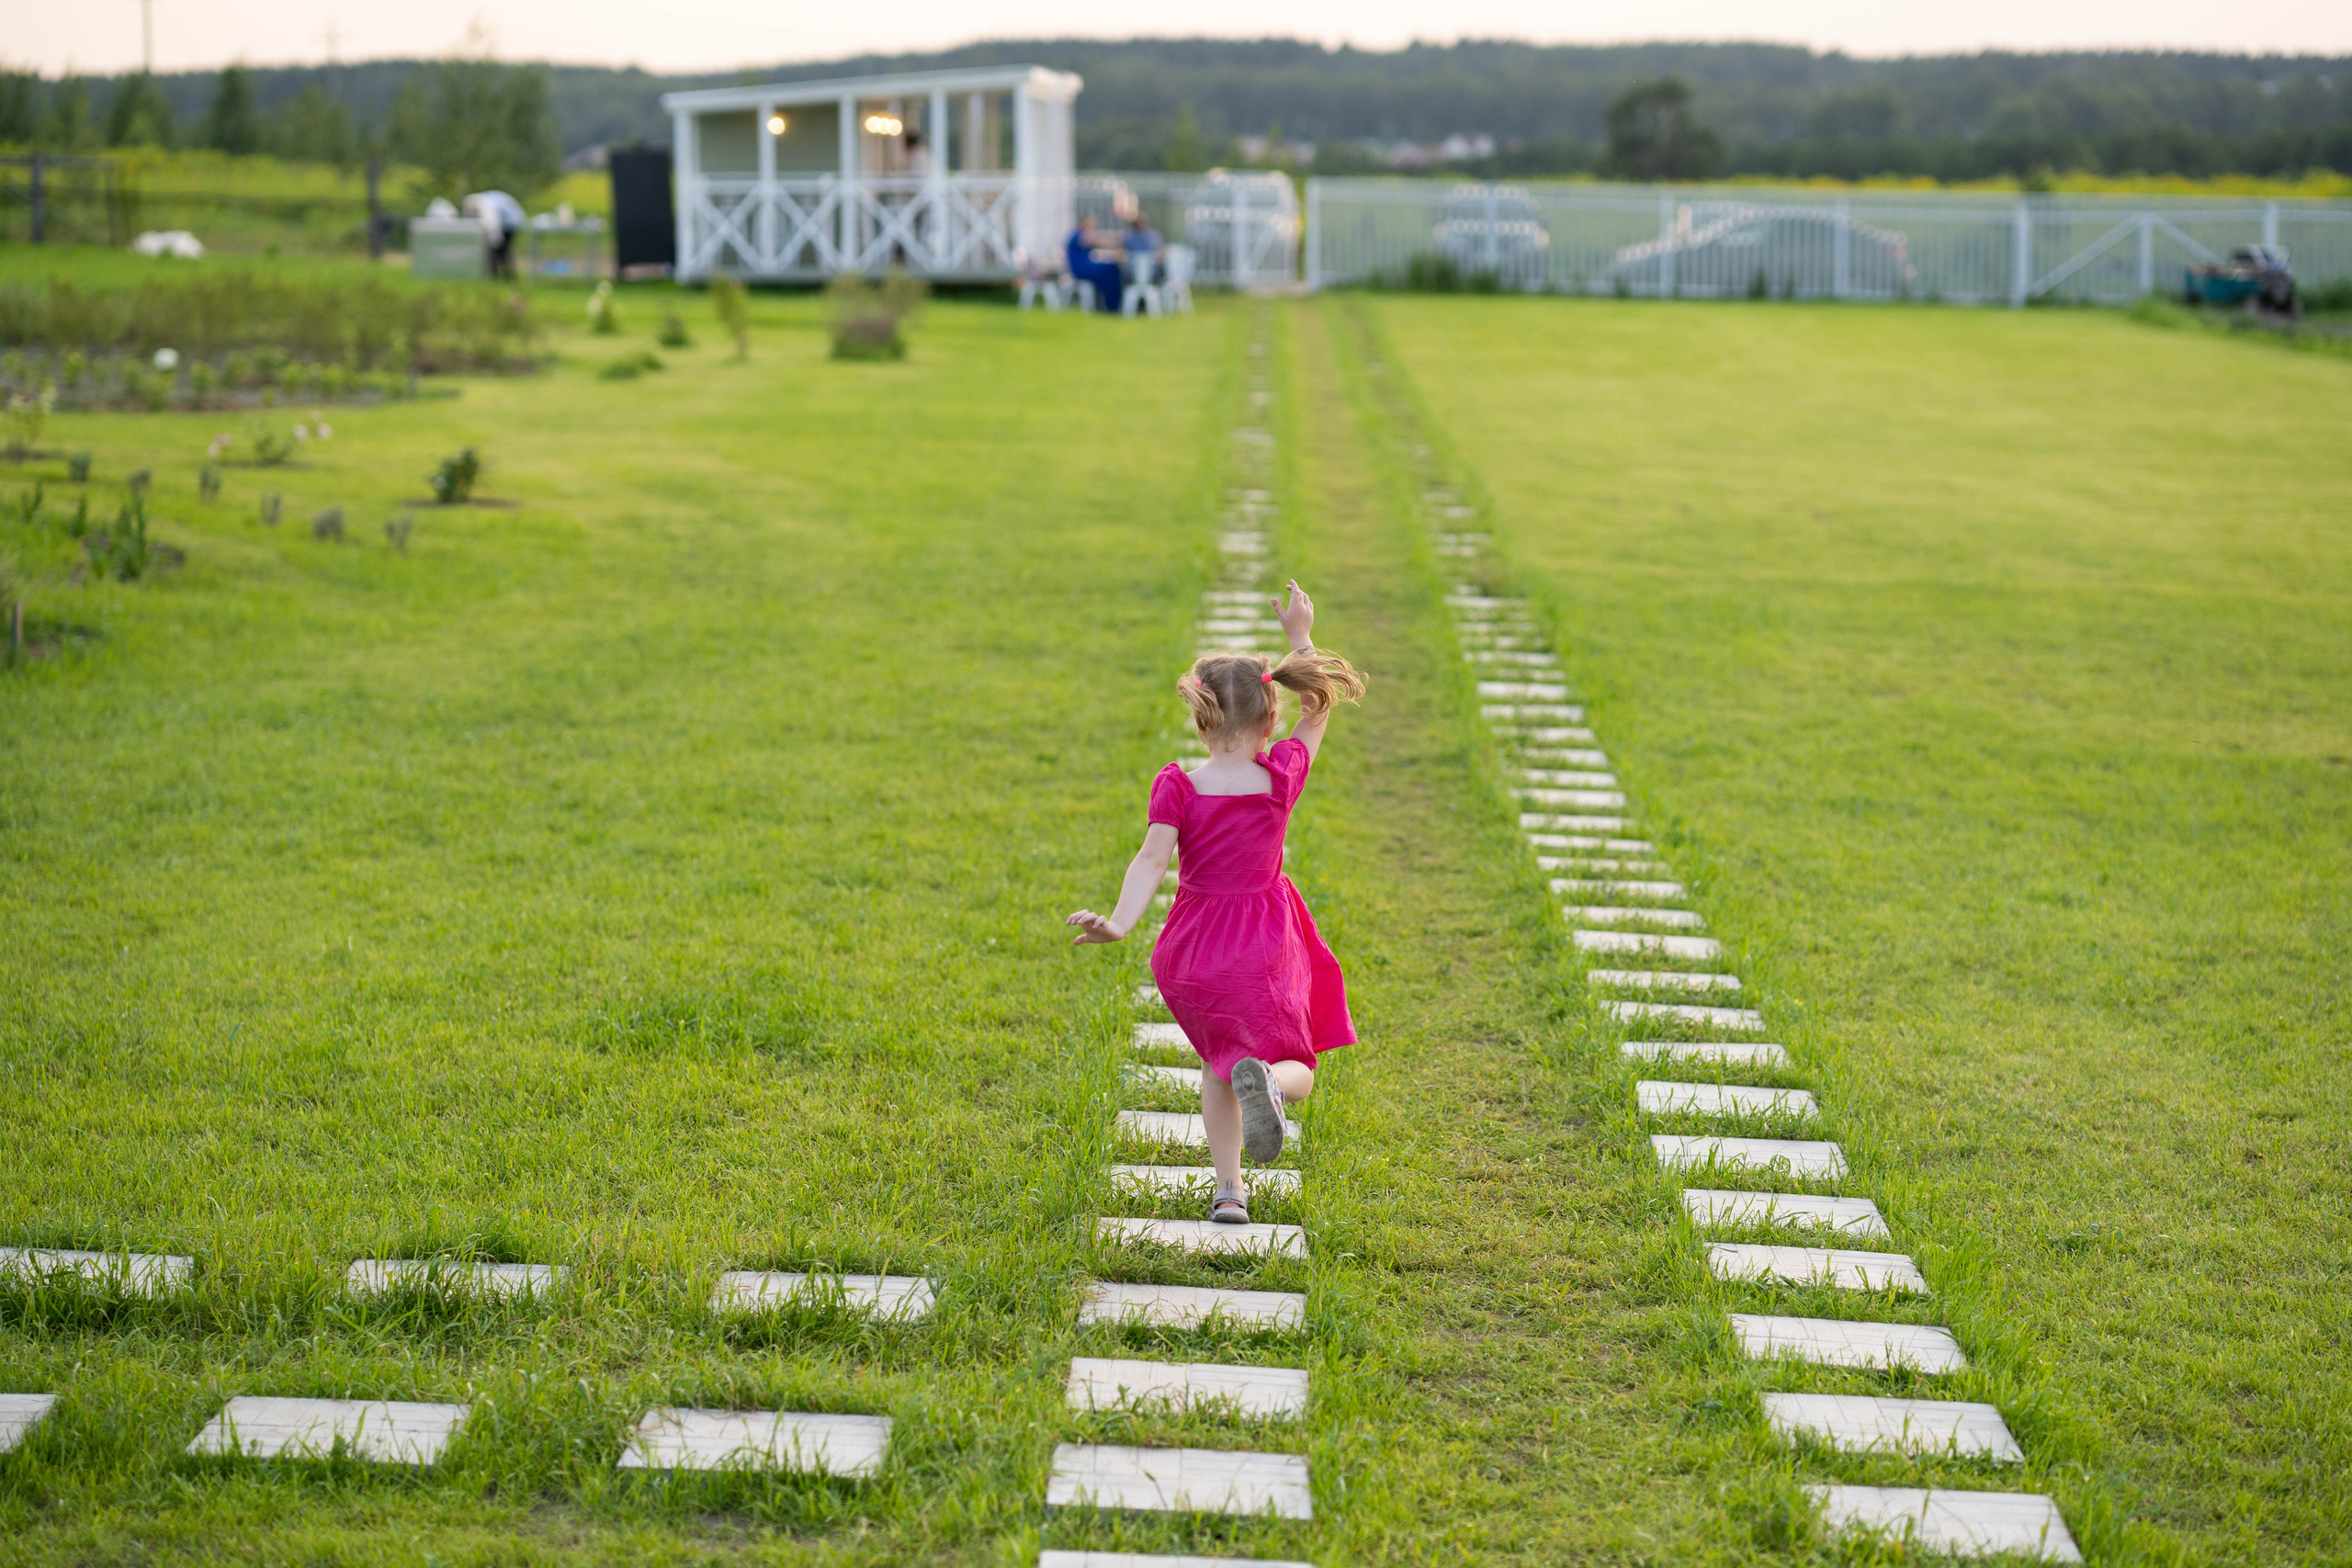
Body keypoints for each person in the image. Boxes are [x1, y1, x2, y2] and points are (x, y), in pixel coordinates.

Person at [1066, 582, 1368, 1223]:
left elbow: (1152, 859)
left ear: (1202, 721)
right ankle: (1273, 1087)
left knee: (1219, 1063)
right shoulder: (1279, 777)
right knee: (1296, 1064)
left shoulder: (1178, 785)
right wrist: (1300, 638)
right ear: (1269, 721)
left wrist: (1119, 923)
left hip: (1194, 951)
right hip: (1262, 944)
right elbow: (1318, 708)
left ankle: (1229, 1191)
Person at [1064, 216, 1123, 313]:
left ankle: (1108, 303)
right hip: (1081, 269)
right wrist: (1119, 242)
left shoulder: (1078, 235)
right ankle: (1112, 306)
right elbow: (1096, 241)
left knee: (1110, 270)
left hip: (1085, 267)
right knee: (1112, 270)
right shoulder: (1079, 235)